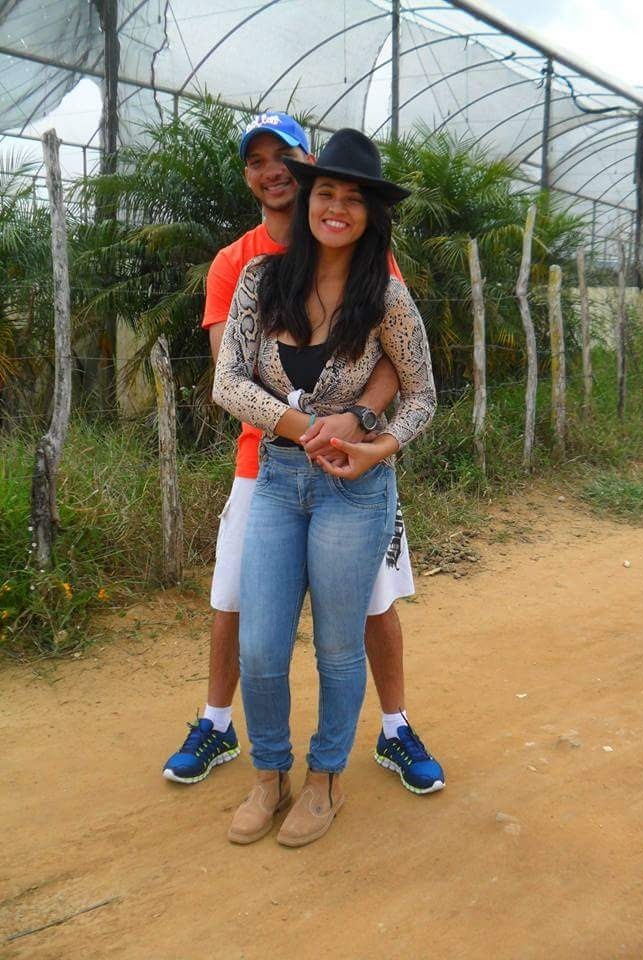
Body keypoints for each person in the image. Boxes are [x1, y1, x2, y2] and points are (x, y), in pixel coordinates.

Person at [162, 113, 444, 797]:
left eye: (282, 156)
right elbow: (229, 376)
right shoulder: (245, 268)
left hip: (355, 473)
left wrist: (364, 429)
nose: (272, 171)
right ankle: (225, 729)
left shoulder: (379, 277)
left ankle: (386, 734)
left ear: (304, 162)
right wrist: (303, 426)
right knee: (245, 614)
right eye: (257, 160)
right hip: (265, 467)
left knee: (360, 617)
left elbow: (405, 371)